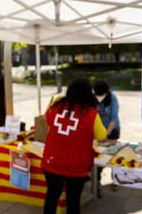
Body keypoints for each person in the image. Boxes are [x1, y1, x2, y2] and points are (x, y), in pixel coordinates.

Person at [41, 77, 107, 214]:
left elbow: (47, 122)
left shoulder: (55, 107)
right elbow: (101, 135)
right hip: (76, 165)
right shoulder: (91, 114)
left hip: (52, 160)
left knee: (51, 197)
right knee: (73, 200)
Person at [92, 80, 120, 196]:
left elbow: (114, 119)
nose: (99, 97)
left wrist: (105, 134)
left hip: (111, 131)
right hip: (98, 132)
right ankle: (96, 182)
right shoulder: (92, 98)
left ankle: (116, 180)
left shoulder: (112, 98)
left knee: (113, 156)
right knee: (98, 157)